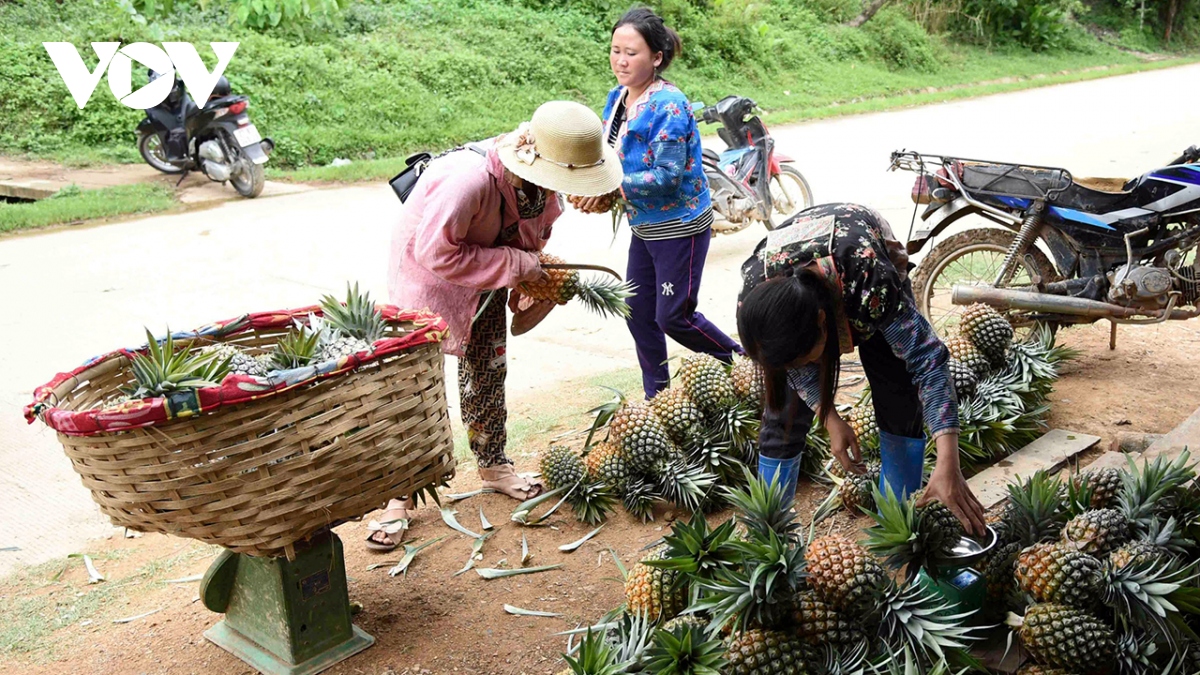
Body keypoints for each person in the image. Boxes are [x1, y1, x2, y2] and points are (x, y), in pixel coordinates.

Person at [372, 101, 624, 551]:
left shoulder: (543, 186)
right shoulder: (466, 183)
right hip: (428, 280)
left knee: (488, 369)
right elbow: (437, 254)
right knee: (416, 389)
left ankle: (493, 465)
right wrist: (518, 263)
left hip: (487, 276)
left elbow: (533, 238)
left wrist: (529, 278)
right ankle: (397, 494)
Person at [736, 202, 986, 534]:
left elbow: (928, 362)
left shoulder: (872, 284)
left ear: (823, 323)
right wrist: (829, 418)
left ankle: (898, 520)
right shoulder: (755, 304)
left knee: (896, 391)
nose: (807, 368)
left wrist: (949, 463)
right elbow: (793, 370)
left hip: (858, 263)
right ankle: (768, 533)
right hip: (805, 277)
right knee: (782, 412)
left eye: (807, 359)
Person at [573, 7, 741, 399]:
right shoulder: (617, 99)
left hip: (680, 227)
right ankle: (658, 397)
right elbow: (607, 154)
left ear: (657, 58)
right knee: (639, 314)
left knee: (673, 317)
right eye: (615, 50)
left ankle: (745, 364)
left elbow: (666, 177)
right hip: (644, 228)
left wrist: (611, 189)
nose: (620, 60)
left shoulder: (669, 105)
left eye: (631, 52)